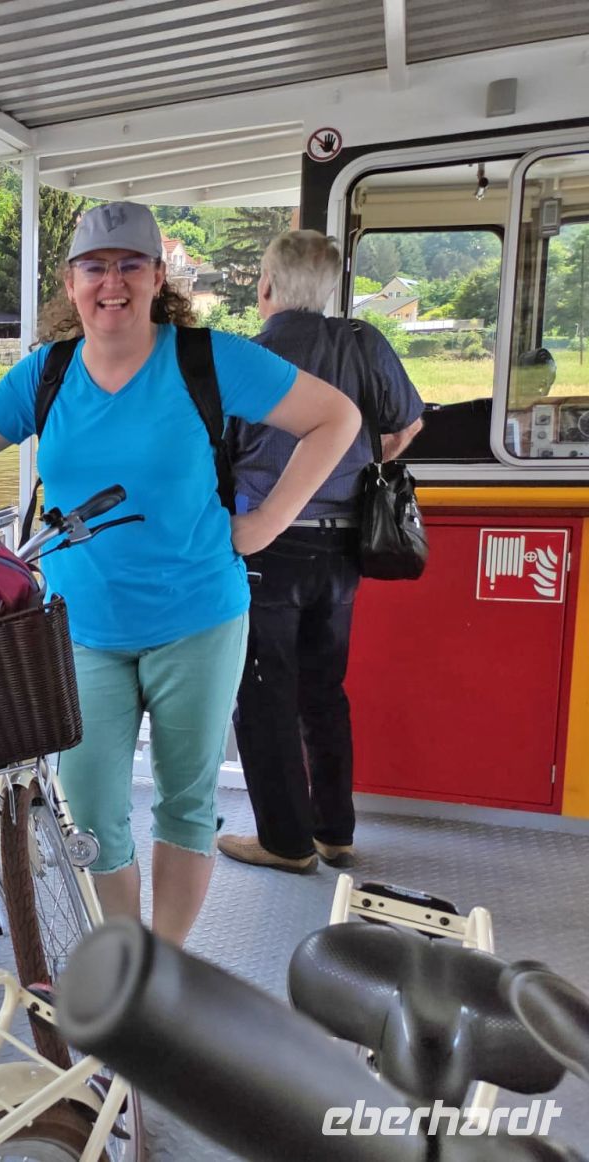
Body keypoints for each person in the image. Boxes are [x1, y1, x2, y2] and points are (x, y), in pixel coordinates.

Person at [0, 202, 360, 944]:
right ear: (71, 284)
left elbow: (336, 419)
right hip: (82, 630)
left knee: (186, 804)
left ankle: (162, 966)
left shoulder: (209, 359)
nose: (113, 283)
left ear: (158, 277)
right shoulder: (47, 374)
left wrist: (263, 524)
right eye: (95, 268)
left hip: (199, 618)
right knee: (95, 809)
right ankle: (127, 963)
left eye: (131, 265)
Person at [219, 231, 424, 873]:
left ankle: (285, 841)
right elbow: (407, 423)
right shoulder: (364, 343)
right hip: (343, 550)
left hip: (266, 547)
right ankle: (335, 831)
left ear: (268, 286)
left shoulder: (246, 358)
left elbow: (215, 457)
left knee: (262, 692)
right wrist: (358, 464)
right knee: (324, 689)